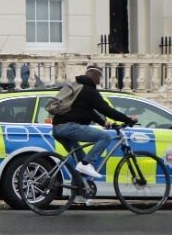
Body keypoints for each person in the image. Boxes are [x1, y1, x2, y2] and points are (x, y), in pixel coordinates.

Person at [50, 64, 135, 203]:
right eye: (100, 77)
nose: (100, 81)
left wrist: (105, 123)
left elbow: (90, 112)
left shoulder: (80, 89)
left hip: (59, 129)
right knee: (104, 137)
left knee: (79, 159)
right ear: (95, 76)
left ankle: (78, 195)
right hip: (68, 127)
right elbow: (106, 109)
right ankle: (86, 164)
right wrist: (127, 119)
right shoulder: (89, 91)